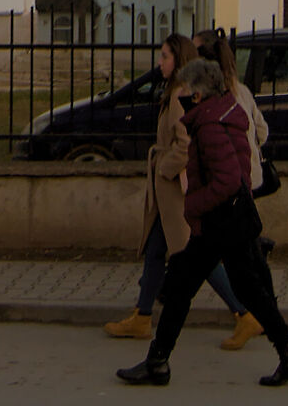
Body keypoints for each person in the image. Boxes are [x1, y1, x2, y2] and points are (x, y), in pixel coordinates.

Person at [115, 58, 288, 388]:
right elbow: (241, 175)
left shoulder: (208, 126)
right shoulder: (223, 115)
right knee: (230, 287)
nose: (182, 96)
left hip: (221, 221)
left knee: (186, 286)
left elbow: (228, 180)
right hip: (232, 219)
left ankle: (158, 362)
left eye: (186, 91)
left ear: (198, 93)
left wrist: (192, 206)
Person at [102, 34, 246, 343]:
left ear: (177, 60)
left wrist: (163, 168)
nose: (159, 62)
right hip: (167, 197)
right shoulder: (174, 92)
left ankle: (244, 314)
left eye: (165, 56)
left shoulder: (182, 97)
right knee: (155, 252)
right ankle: (142, 317)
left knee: (198, 257)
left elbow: (185, 145)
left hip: (177, 193)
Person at [196, 27, 273, 351]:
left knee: (220, 253)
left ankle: (251, 315)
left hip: (228, 183)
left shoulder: (215, 95)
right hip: (247, 181)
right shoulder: (240, 90)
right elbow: (263, 131)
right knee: (238, 250)